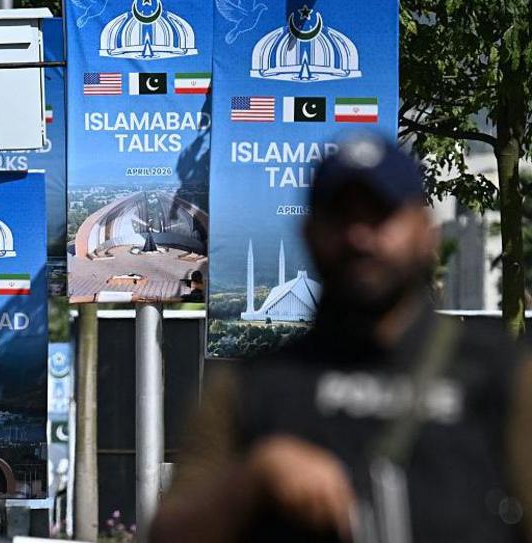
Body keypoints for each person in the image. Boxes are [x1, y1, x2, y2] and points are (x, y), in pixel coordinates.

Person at [151, 132, 532, 543]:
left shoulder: (500, 374)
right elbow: (172, 529)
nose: (360, 238)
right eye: (341, 217)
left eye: (380, 215)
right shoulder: (254, 387)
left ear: (426, 232)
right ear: (309, 232)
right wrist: (256, 476)